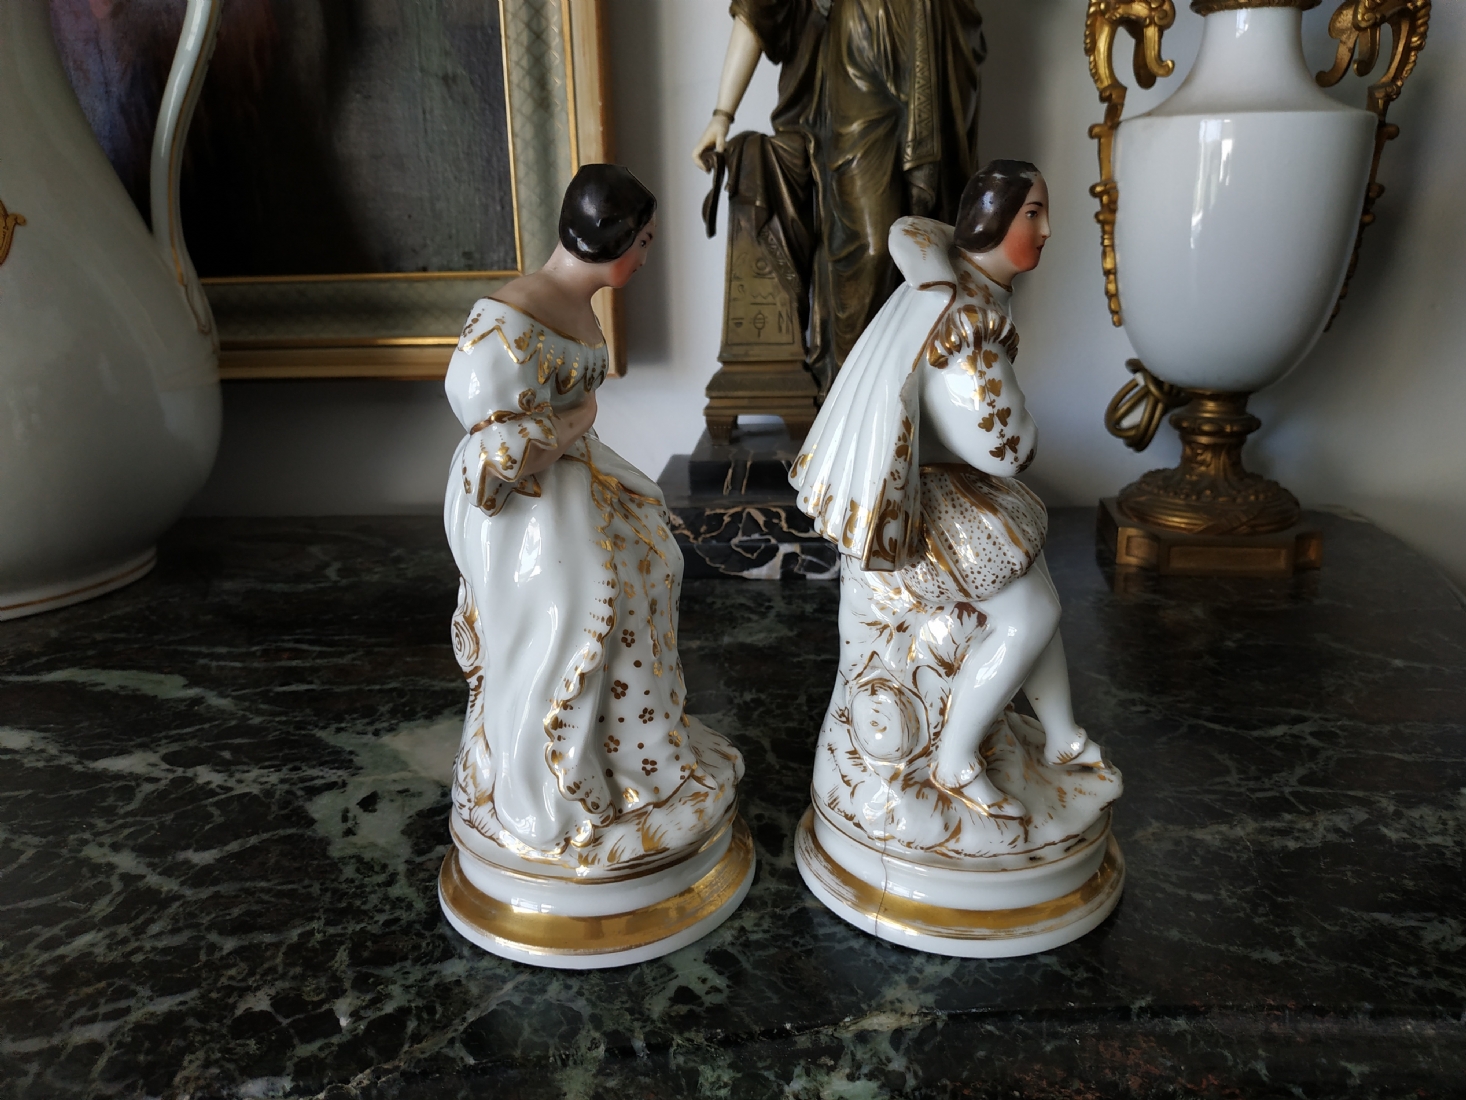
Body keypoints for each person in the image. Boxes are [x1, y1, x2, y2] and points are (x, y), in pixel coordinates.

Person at [792, 161, 1110, 855]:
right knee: (1032, 612)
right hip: (922, 503)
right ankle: (955, 759)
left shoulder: (963, 278)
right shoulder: (965, 323)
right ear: (993, 222)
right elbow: (1004, 448)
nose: (1046, 230)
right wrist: (1024, 418)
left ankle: (1060, 735)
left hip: (943, 481)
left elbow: (913, 230)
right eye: (1033, 214)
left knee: (1039, 590)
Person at [443, 165, 744, 872]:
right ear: (612, 240)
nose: (646, 256)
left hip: (576, 477)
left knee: (654, 565)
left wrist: (578, 427)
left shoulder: (577, 303)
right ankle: (553, 782)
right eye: (644, 242)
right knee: (582, 615)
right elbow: (499, 450)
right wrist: (578, 419)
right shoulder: (504, 326)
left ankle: (641, 756)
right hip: (524, 505)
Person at [692, 0, 986, 398]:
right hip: (859, 44)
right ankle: (852, 399)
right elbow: (759, 6)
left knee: (939, 238)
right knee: (870, 247)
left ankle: (928, 397)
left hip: (939, 41)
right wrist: (722, 114)